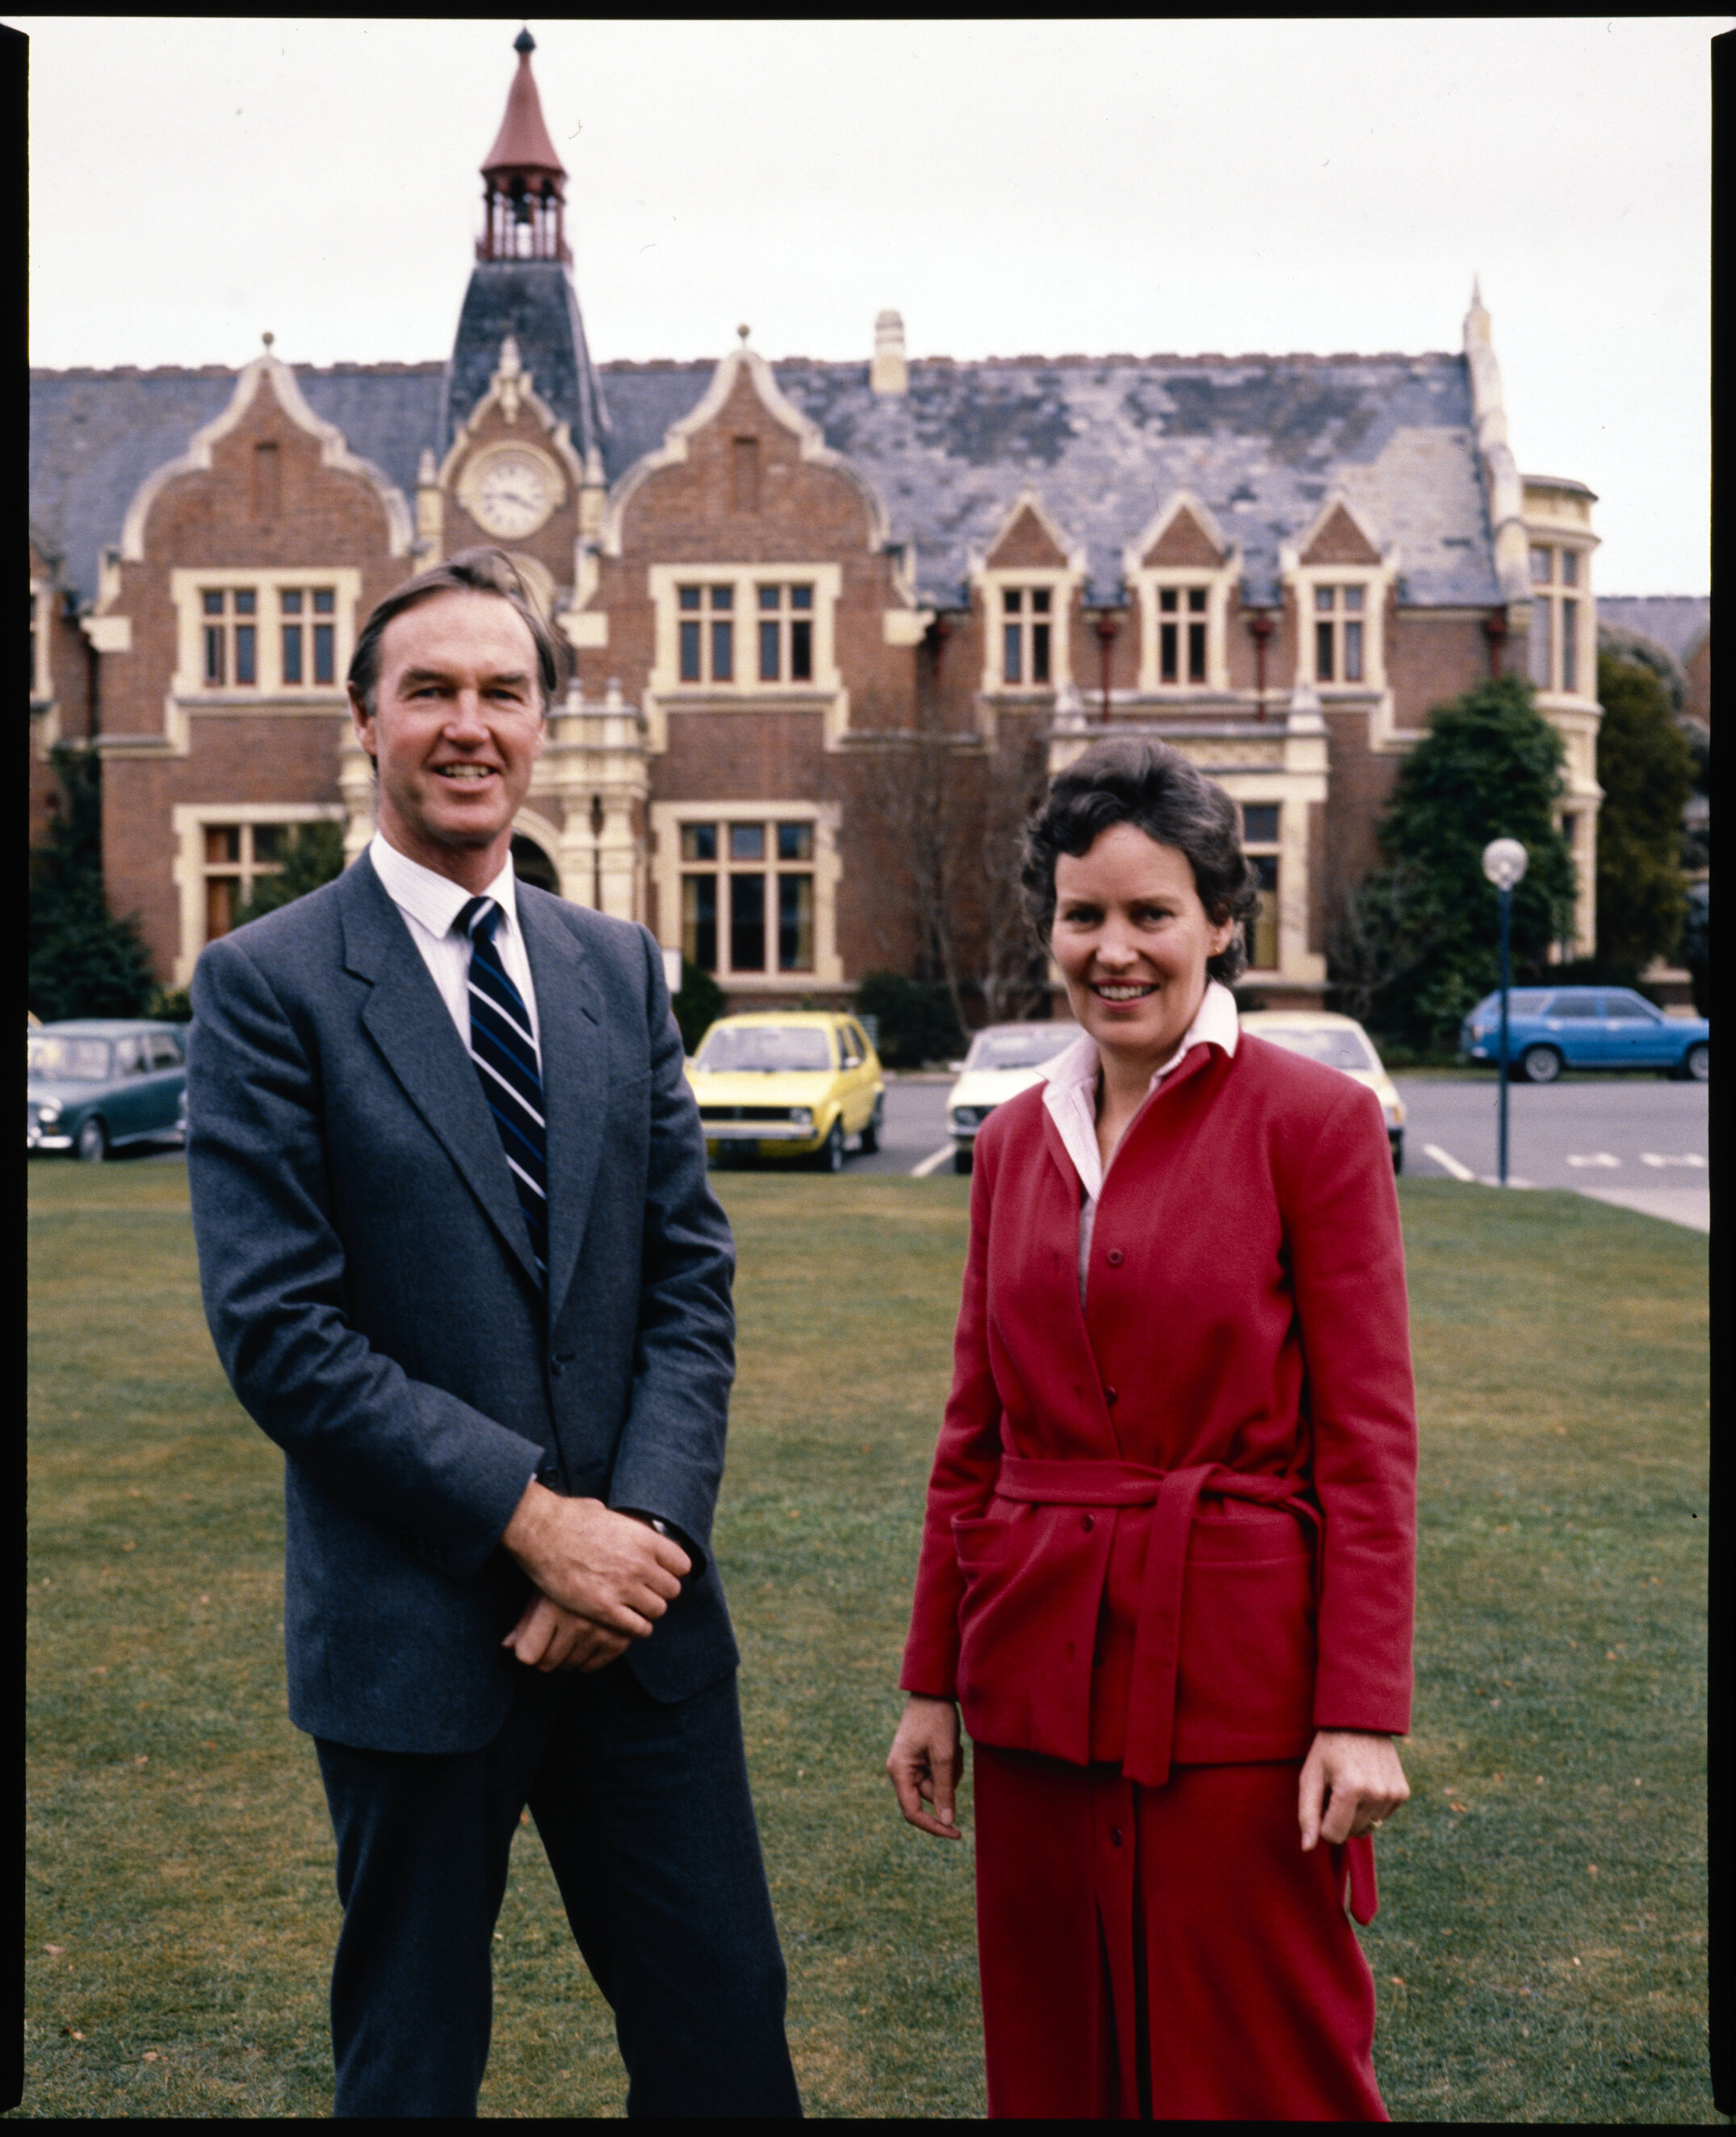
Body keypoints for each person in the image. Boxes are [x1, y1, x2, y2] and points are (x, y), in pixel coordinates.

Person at [187, 549, 801, 2119]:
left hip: (643, 1638)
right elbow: (283, 1334)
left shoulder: (617, 967)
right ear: (366, 721)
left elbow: (687, 1280)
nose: (470, 725)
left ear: (545, 721)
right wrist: (540, 1531)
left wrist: (637, 1536)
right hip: (417, 1637)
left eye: (503, 692)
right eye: (432, 691)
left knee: (723, 2041)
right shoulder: (268, 988)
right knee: (409, 2068)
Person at [887, 735, 1415, 2120]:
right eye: (1082, 916)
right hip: (1038, 1664)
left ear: (1220, 924)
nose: (1111, 951)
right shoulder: (1010, 1139)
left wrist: (1358, 1713)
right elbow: (973, 1434)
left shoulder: (1315, 1122)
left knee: (1260, 2052)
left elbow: (1367, 1442)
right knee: (1059, 2055)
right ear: (1047, 926)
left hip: (1237, 1670)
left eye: (1149, 914)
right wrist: (932, 1677)